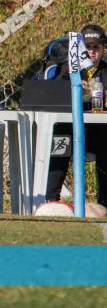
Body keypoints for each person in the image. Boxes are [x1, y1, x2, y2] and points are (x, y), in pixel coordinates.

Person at [45, 24, 107, 205]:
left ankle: (103, 204)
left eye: (97, 47)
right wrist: (74, 89)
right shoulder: (68, 70)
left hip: (99, 131)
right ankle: (51, 200)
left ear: (103, 49)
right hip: (70, 128)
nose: (92, 52)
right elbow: (52, 97)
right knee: (60, 141)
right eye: (87, 47)